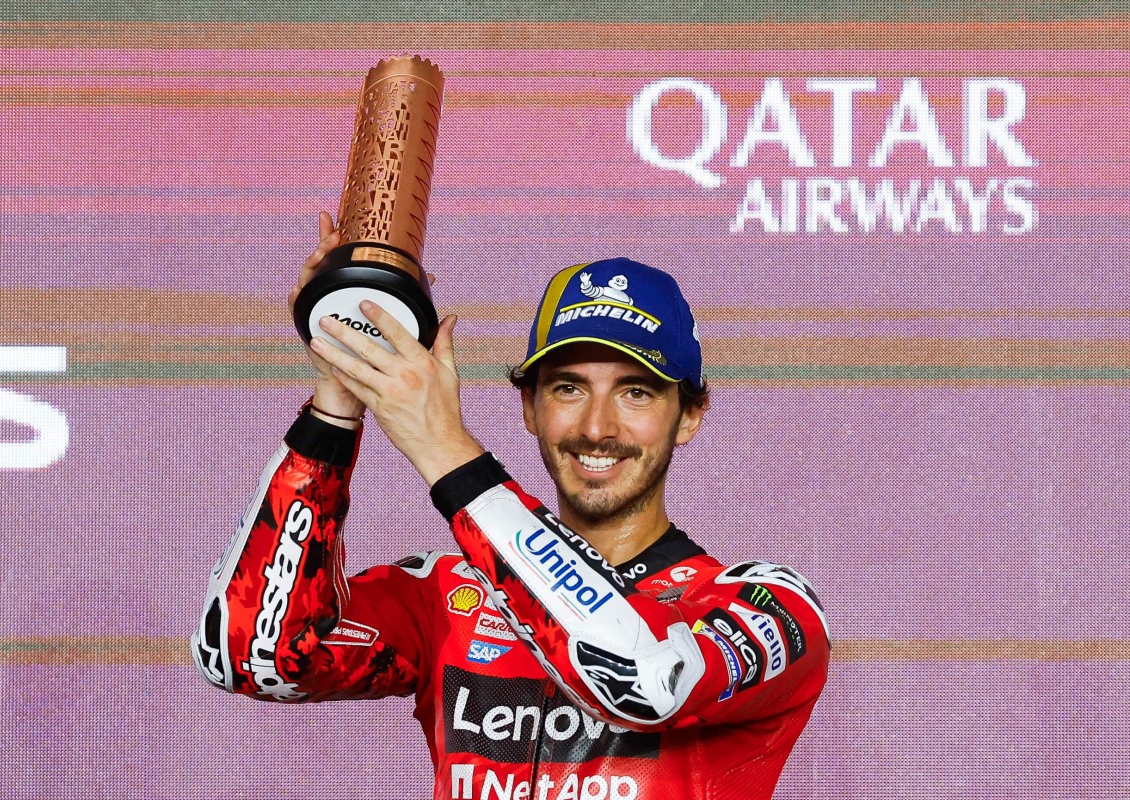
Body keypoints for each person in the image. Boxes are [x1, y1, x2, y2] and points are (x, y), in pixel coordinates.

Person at [193, 212, 830, 800]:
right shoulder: (449, 597)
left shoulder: (766, 608)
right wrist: (340, 394)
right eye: (568, 388)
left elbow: (641, 678)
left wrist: (446, 449)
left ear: (689, 415)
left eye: (634, 392)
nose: (597, 427)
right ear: (529, 408)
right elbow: (251, 654)